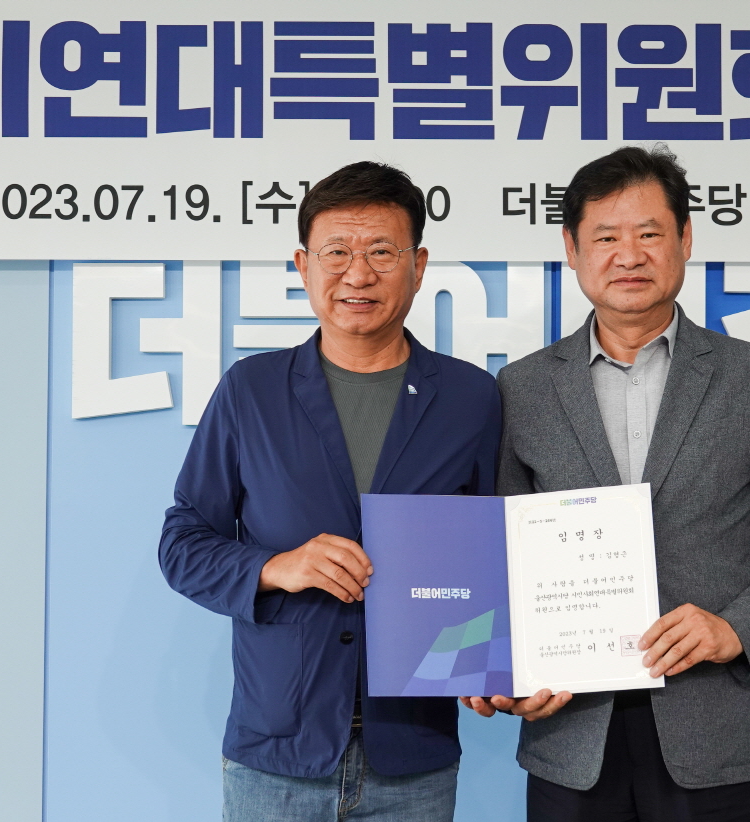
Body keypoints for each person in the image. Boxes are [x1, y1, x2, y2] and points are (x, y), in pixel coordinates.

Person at [462, 145, 750, 822]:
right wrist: (497, 667)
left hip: (713, 727)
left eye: (649, 234)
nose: (629, 256)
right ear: (572, 250)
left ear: (685, 239)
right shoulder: (523, 387)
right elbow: (495, 549)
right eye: (606, 237)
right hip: (569, 732)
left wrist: (737, 628)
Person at [160, 161, 501, 822]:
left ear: (418, 265)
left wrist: (494, 667)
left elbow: (494, 556)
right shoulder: (251, 390)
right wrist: (275, 567)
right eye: (336, 252)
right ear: (303, 265)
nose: (358, 274)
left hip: (414, 751)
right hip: (276, 750)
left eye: (381, 252)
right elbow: (183, 543)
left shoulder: (471, 398)